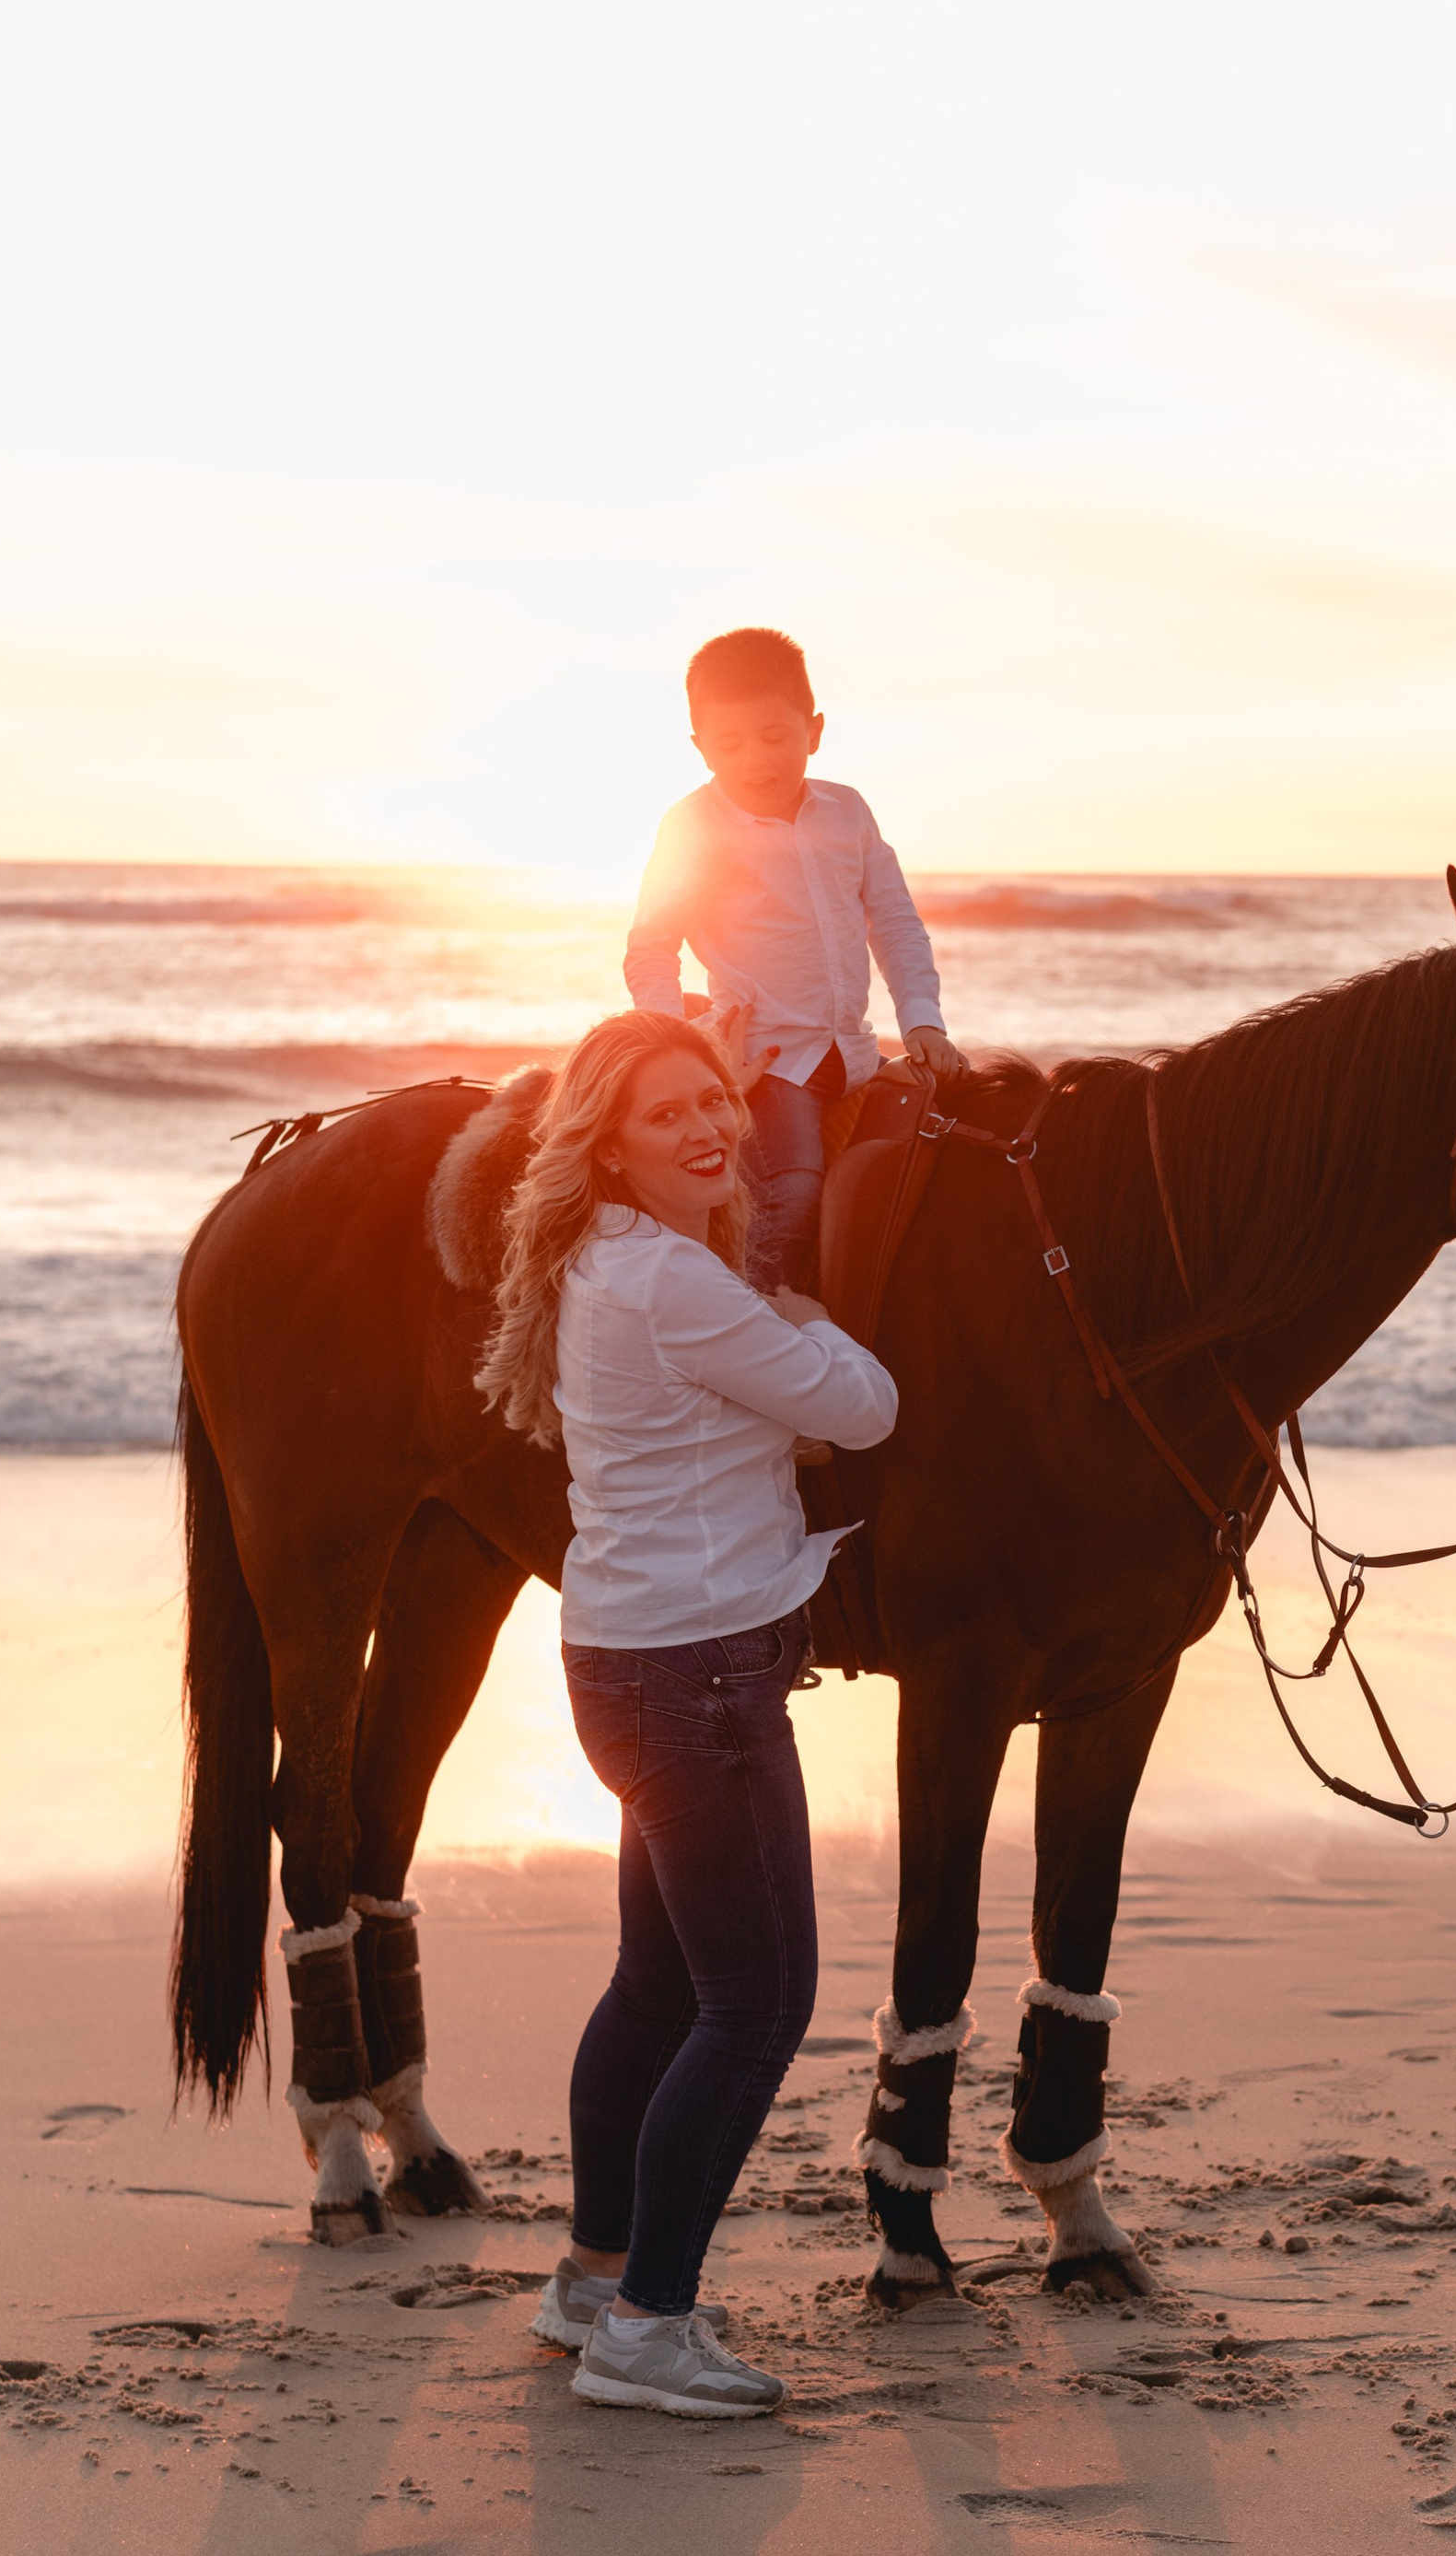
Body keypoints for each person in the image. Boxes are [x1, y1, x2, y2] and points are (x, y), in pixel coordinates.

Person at [475, 1008, 898, 2417]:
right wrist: (811, 1320)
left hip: (625, 1667)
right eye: (670, 1115)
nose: (712, 1126)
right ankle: (649, 2327)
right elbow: (864, 1410)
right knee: (756, 2004)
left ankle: (596, 2279)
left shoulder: (605, 1261)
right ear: (608, 1146)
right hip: (702, 1683)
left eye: (715, 1097)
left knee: (660, 1990)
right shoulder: (681, 1287)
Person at [621, 625, 969, 1290]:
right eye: (729, 744)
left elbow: (894, 920)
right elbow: (652, 945)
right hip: (773, 1064)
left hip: (857, 1056)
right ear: (700, 749)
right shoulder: (693, 827)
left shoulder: (847, 811)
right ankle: (763, 1331)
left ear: (813, 730)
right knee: (793, 1194)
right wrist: (677, 1050)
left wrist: (923, 1020)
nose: (755, 760)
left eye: (775, 737)